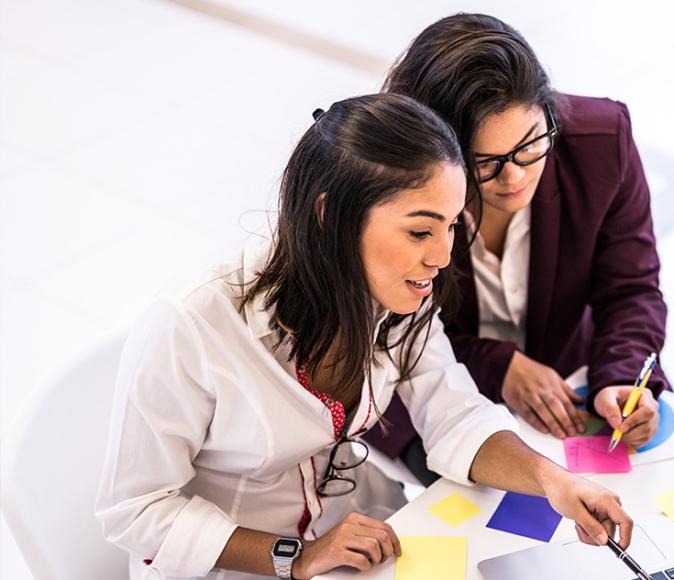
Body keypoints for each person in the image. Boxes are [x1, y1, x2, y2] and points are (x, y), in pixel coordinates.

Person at [95, 93, 633, 580]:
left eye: (451, 227)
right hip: (240, 564)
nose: (443, 257)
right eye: (421, 231)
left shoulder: (397, 296)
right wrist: (295, 556)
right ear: (331, 216)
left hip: (361, 535)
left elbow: (454, 414)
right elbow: (135, 510)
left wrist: (556, 482)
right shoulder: (193, 326)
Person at [365, 14, 671, 485]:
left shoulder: (600, 143)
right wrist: (499, 365)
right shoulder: (395, 187)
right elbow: (389, 326)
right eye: (484, 163)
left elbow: (630, 287)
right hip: (425, 400)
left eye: (530, 145)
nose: (515, 178)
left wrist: (624, 378)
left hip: (562, 390)